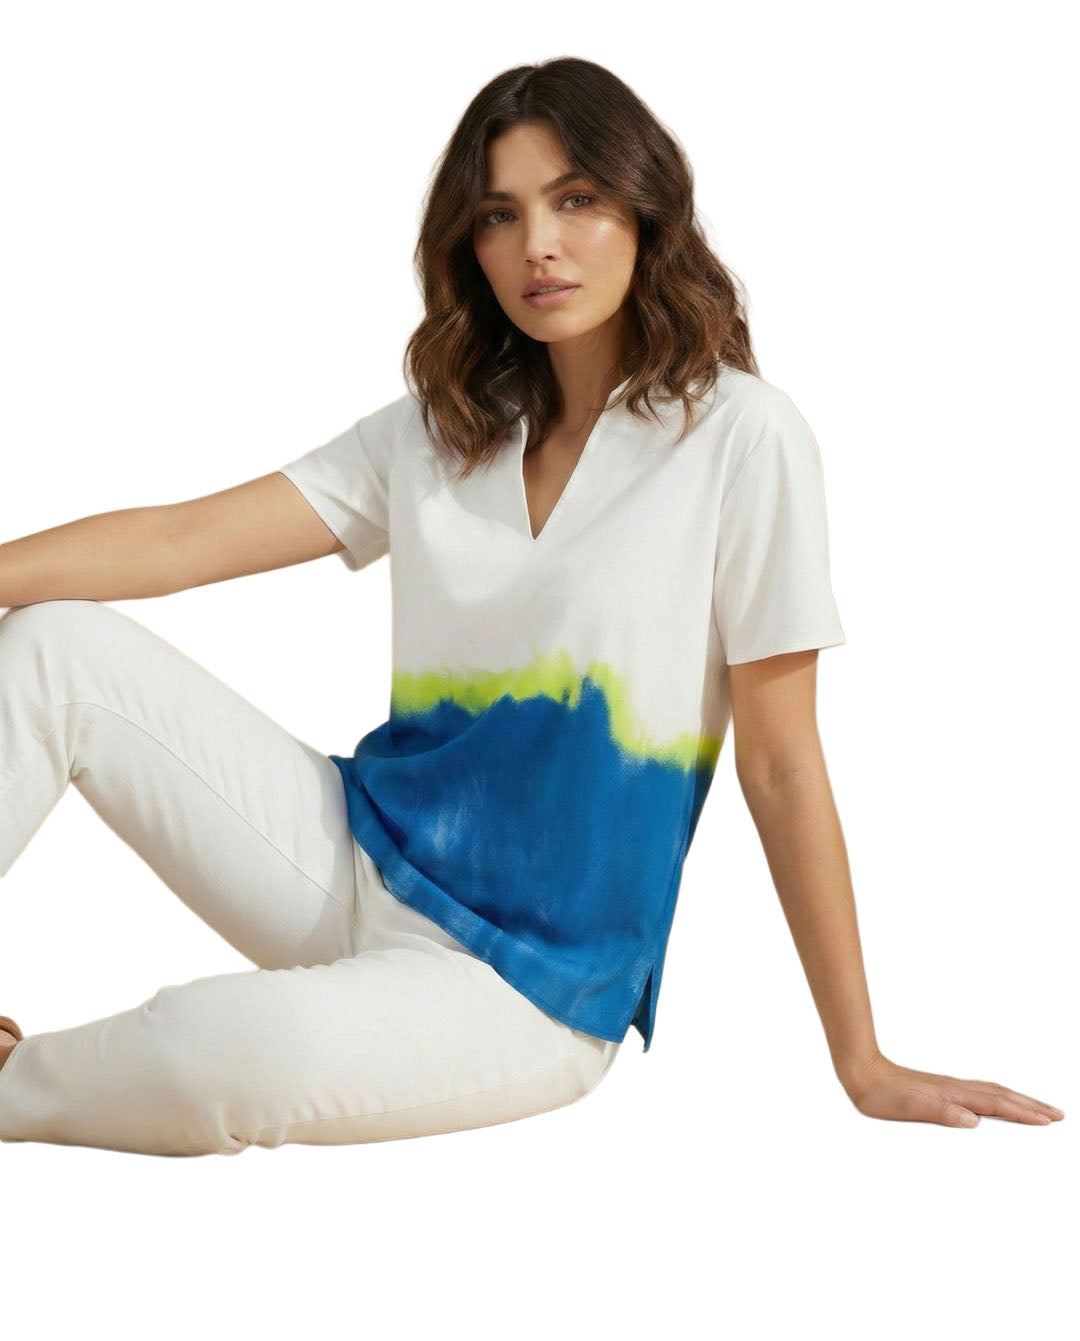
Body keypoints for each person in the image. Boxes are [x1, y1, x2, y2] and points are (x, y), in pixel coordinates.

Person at [0, 58, 1063, 1156]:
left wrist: (862, 1059)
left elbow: (783, 765)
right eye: (500, 215)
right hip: (351, 857)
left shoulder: (743, 438)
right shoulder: (445, 428)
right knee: (54, 646)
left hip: (529, 985)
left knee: (215, 1049)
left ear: (645, 209)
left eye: (576, 200)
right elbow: (178, 540)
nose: (538, 246)